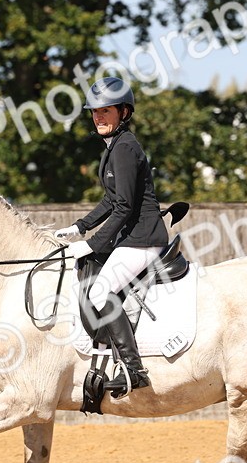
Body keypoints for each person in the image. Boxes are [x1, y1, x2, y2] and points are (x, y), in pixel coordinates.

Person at [57, 76, 168, 397]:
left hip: (143, 237)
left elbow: (123, 206)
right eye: (95, 112)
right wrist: (80, 226)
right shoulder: (115, 147)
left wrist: (91, 244)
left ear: (124, 112)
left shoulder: (125, 147)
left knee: (100, 292)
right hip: (133, 236)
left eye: (106, 111)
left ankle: (134, 370)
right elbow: (110, 199)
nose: (99, 117)